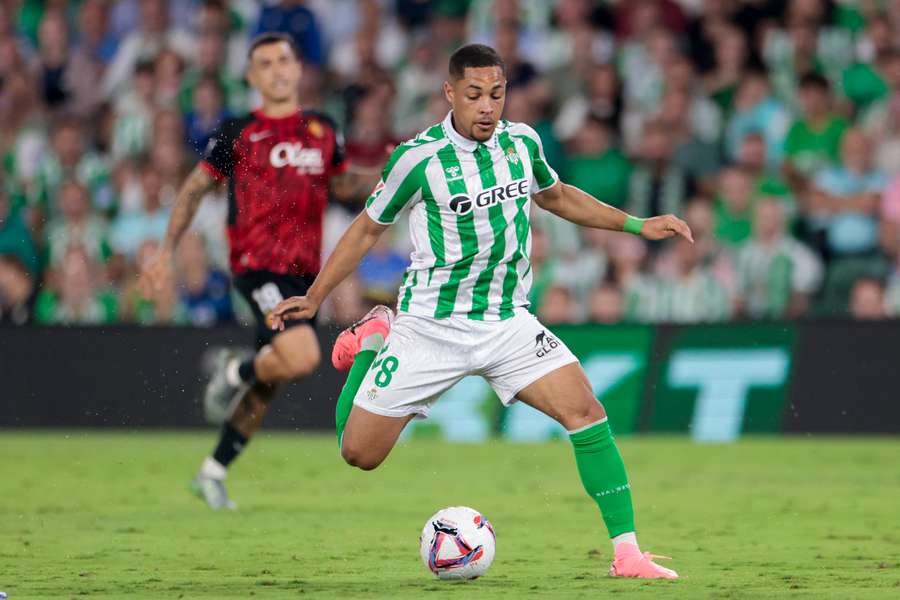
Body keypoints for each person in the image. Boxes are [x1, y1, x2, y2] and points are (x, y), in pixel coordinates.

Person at [271, 44, 692, 580]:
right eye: (474, 95)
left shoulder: (522, 142)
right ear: (450, 94)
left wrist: (636, 224)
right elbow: (366, 229)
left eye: (496, 94)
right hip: (429, 326)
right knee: (358, 454)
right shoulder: (417, 159)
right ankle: (375, 338)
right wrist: (315, 294)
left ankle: (628, 554)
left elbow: (556, 196)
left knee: (586, 412)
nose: (487, 106)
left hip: (506, 321)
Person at [141, 33, 347, 510]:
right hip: (259, 269)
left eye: (283, 60)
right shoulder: (238, 133)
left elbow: (345, 179)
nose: (276, 70)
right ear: (252, 77)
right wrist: (166, 250)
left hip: (306, 277)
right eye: (264, 64)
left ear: (298, 69)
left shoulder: (322, 129)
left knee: (270, 380)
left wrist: (394, 173)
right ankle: (231, 369)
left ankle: (212, 472)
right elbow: (194, 190)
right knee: (300, 356)